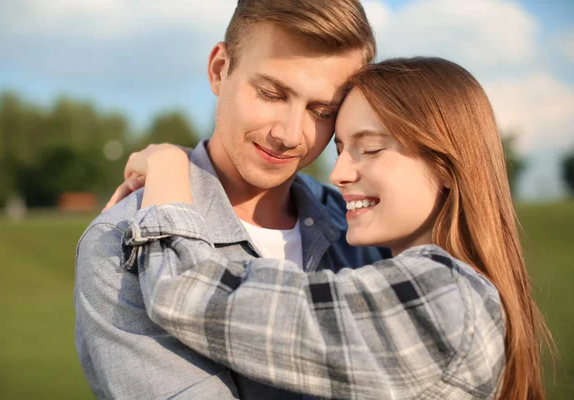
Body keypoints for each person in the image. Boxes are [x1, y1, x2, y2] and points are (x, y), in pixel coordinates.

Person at [116, 58, 553, 400]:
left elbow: (186, 293)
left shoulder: (443, 298)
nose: (340, 173)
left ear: (444, 165)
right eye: (342, 148)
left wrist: (170, 167)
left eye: (371, 148)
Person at [74, 1, 387, 399]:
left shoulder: (361, 228)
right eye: (272, 93)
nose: (290, 134)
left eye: (322, 110)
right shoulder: (120, 245)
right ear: (219, 69)